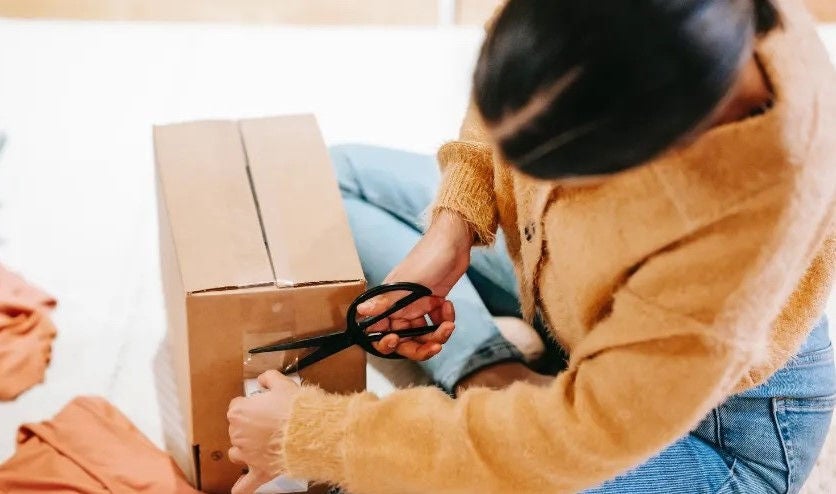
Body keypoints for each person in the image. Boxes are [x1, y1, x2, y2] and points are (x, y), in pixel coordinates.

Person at [227, 0, 836, 492]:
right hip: (575, 300)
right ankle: (491, 372)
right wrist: (454, 228)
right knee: (337, 180)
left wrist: (316, 435)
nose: (525, 177)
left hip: (714, 433)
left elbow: (578, 437)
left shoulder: (752, 213)